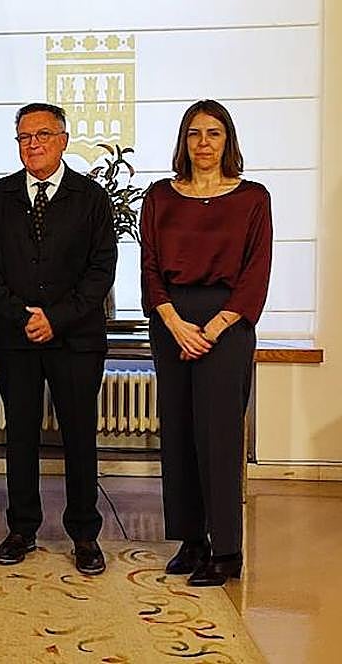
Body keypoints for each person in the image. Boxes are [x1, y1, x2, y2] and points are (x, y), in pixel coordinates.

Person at [0, 102, 117, 576]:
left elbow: (101, 272)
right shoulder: (0, 195)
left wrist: (56, 318)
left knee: (79, 436)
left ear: (63, 140)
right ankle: (22, 528)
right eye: (24, 138)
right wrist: (20, 315)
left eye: (42, 136)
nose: (32, 145)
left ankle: (85, 535)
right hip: (15, 338)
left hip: (76, 339)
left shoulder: (91, 198)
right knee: (21, 436)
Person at [141, 99, 272, 587]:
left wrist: (214, 329)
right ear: (183, 141)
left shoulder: (253, 199)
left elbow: (256, 274)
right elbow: (150, 268)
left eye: (213, 134)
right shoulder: (160, 196)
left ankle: (227, 548)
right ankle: (190, 540)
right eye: (194, 134)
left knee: (216, 437)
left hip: (227, 323)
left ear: (228, 141)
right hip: (172, 319)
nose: (203, 143)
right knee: (177, 432)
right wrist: (175, 322)